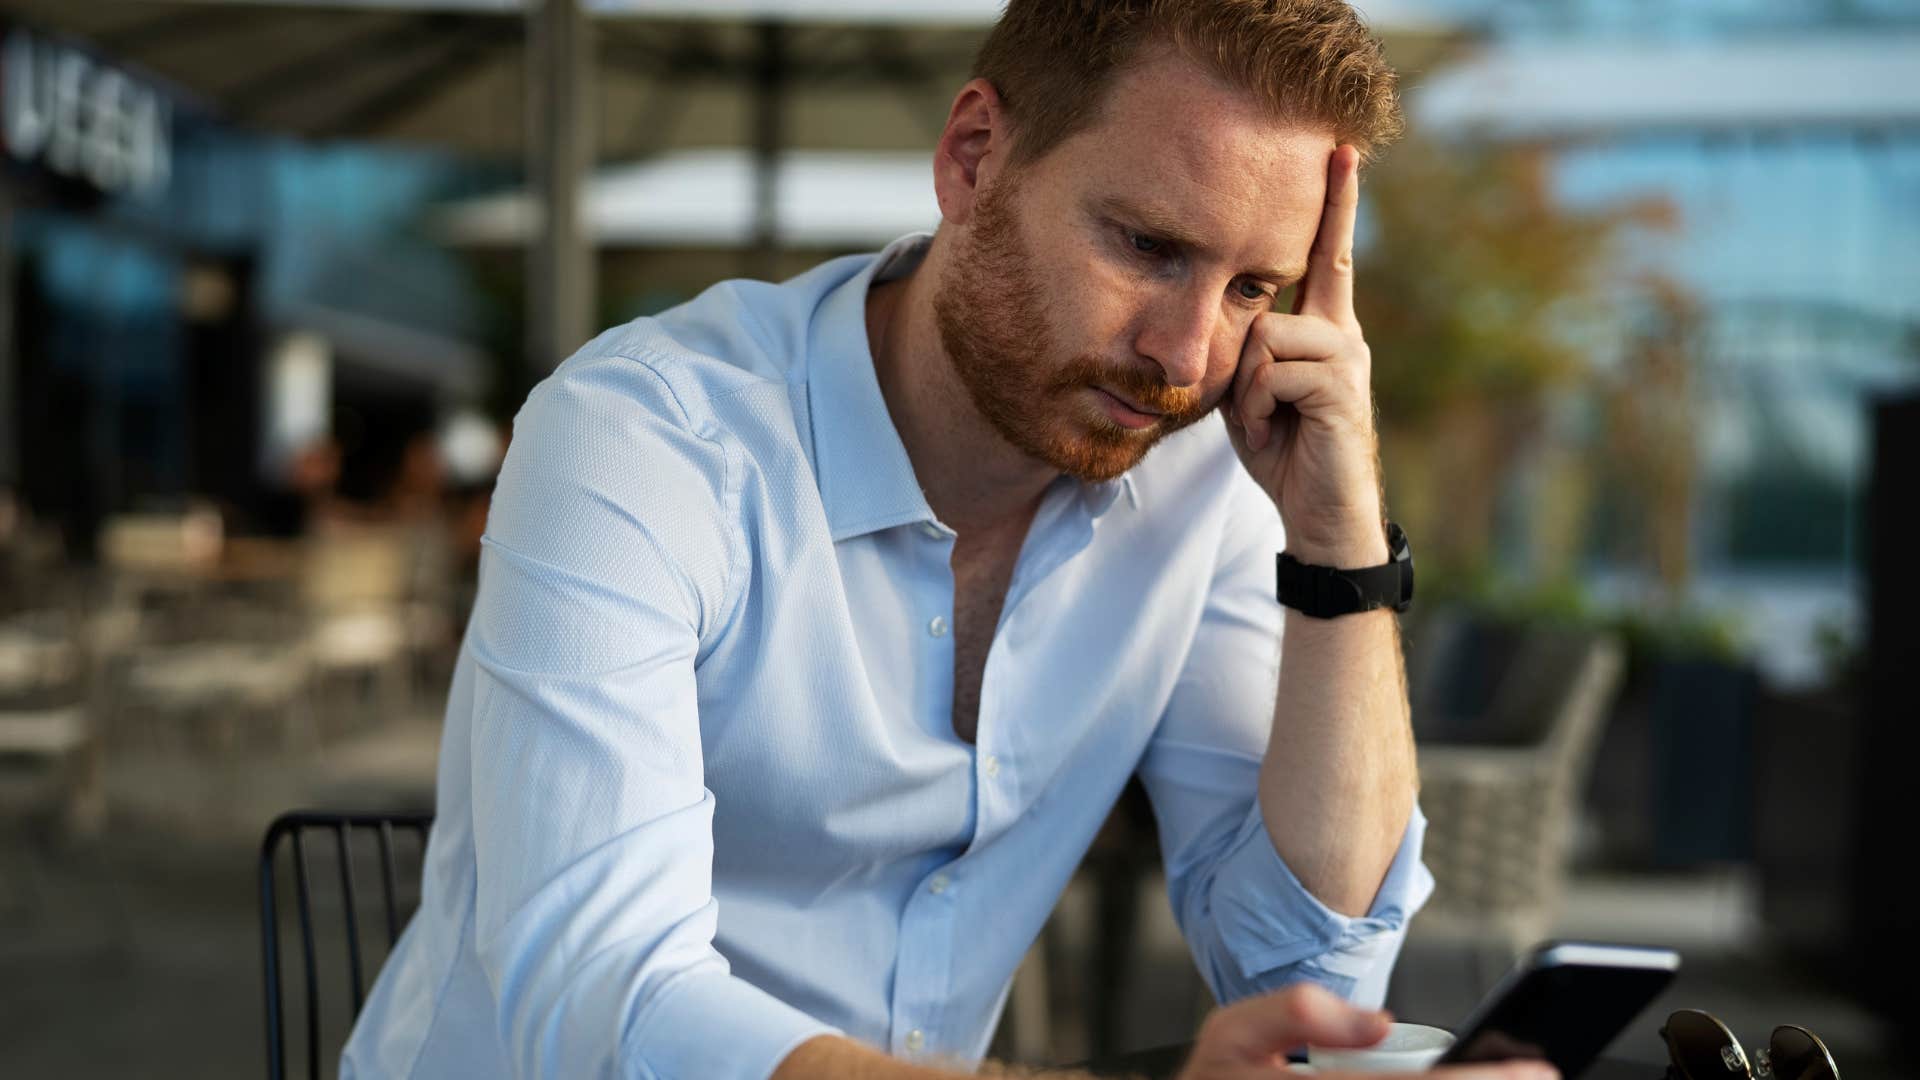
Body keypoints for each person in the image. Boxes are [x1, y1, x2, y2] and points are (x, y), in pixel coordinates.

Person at [344, 3, 1551, 1079]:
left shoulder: (1204, 483)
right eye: (1147, 246)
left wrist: (1339, 543)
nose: (1188, 359)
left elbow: (1316, 988)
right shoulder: (643, 442)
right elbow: (608, 1004)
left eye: (1252, 290)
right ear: (975, 157)